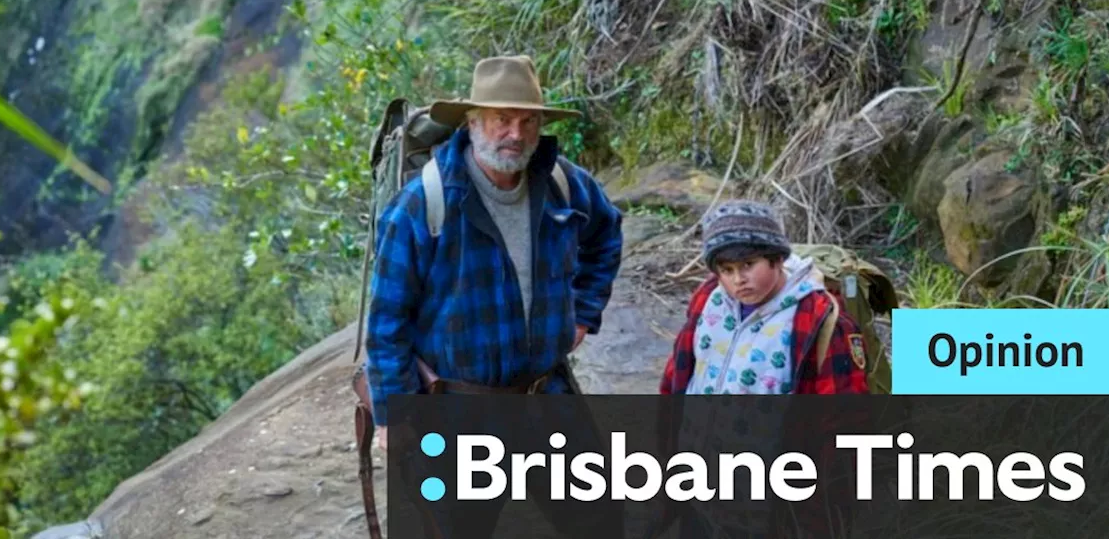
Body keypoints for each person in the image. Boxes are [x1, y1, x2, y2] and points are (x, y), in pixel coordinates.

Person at [362, 54, 625, 537]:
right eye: (502, 119)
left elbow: (607, 232)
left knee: (600, 520)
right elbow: (386, 324)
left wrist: (585, 312)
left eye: (528, 120)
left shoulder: (563, 184)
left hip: (547, 393)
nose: (516, 133)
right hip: (458, 409)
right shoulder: (424, 204)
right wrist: (394, 415)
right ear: (474, 121)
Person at [649, 199, 869, 539]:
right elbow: (677, 375)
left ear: (777, 258)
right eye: (726, 269)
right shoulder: (709, 298)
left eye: (749, 264)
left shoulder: (817, 320)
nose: (738, 280)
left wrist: (822, 506)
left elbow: (843, 424)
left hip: (766, 506)